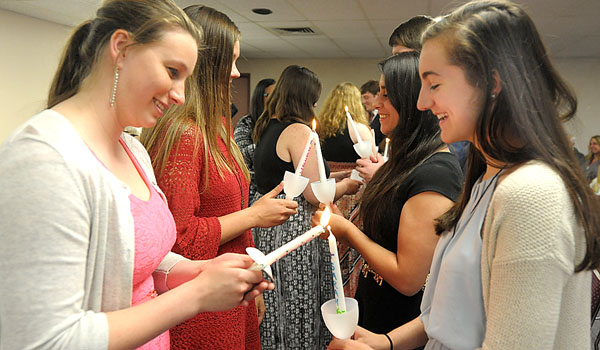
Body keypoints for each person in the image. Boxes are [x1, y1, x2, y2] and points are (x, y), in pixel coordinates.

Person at [0, 1, 274, 349]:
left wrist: (194, 271)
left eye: (187, 78)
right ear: (121, 49)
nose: (180, 95)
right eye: (172, 71)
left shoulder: (134, 152)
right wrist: (196, 295)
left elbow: (143, 257)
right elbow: (47, 340)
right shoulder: (44, 158)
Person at [329, 1, 600, 349]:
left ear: (492, 83)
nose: (422, 102)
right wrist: (386, 343)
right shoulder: (486, 176)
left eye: (434, 85)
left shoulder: (531, 192)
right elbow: (449, 311)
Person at [141, 5, 297, 350]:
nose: (237, 73)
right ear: (207, 66)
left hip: (228, 292)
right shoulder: (185, 135)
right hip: (200, 306)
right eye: (232, 61)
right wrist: (253, 215)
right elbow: (179, 239)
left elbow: (227, 217)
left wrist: (252, 278)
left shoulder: (215, 130)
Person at [315, 52, 462, 336]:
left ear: (413, 101)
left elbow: (408, 278)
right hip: (378, 310)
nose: (377, 104)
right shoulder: (406, 159)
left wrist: (347, 231)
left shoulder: (435, 173)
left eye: (387, 94)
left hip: (400, 323)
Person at [253, 65, 362, 349]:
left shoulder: (268, 128)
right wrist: (348, 187)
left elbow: (306, 174)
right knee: (299, 307)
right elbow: (316, 193)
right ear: (304, 98)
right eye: (314, 98)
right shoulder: (299, 131)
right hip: (292, 229)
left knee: (278, 309)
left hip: (269, 229)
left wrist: (337, 176)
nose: (316, 104)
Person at [317, 81, 374, 297]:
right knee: (349, 243)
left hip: (330, 188)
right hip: (353, 188)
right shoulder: (358, 129)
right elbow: (371, 159)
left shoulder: (322, 128)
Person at [234, 78, 276, 206]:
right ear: (260, 98)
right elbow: (241, 155)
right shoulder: (246, 123)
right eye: (271, 95)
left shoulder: (280, 123)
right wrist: (270, 143)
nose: (276, 99)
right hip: (252, 189)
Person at [359, 80, 385, 148]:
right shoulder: (366, 116)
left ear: (378, 95)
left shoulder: (384, 115)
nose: (364, 102)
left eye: (366, 97)